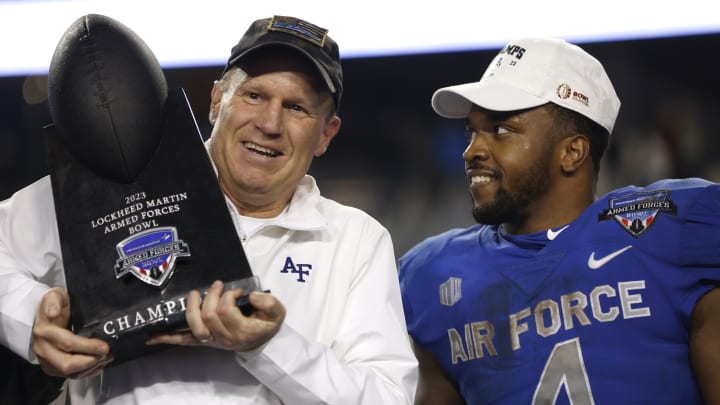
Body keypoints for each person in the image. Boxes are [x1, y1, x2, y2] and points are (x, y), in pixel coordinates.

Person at [0, 15, 417, 404]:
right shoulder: (113, 187)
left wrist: (269, 345)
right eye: (254, 95)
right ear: (216, 101)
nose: (270, 123)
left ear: (326, 134)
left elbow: (386, 396)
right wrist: (32, 319)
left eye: (297, 108)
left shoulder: (355, 238)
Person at [398, 36, 720, 404]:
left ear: (572, 152)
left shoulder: (676, 227)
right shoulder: (431, 273)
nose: (472, 151)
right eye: (472, 131)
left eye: (501, 129)